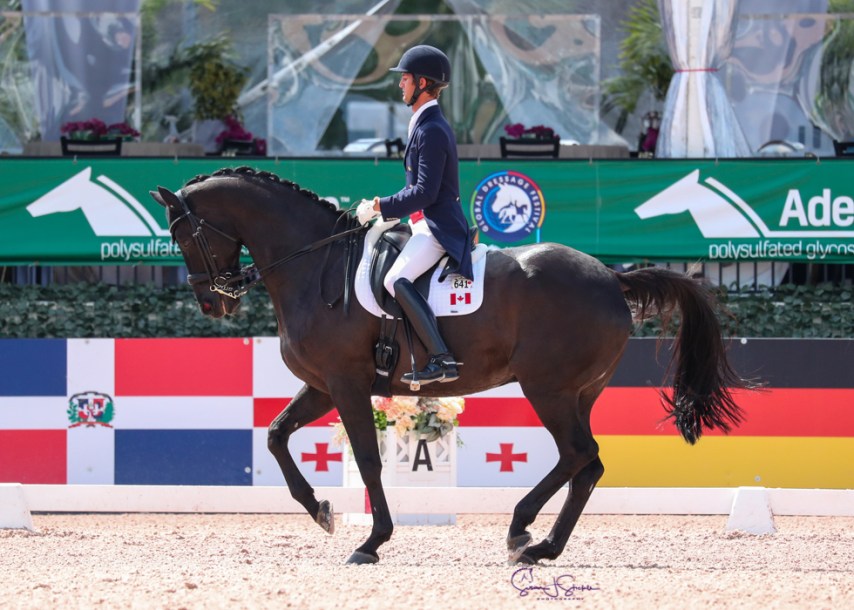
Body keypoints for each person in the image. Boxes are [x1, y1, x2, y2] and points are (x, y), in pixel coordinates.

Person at [356, 44, 473, 387]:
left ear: (422, 83)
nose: (400, 85)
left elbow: (425, 192)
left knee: (395, 280)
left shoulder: (431, 129)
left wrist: (381, 205)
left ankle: (441, 357)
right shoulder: (423, 124)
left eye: (405, 79)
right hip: (422, 221)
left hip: (438, 227)